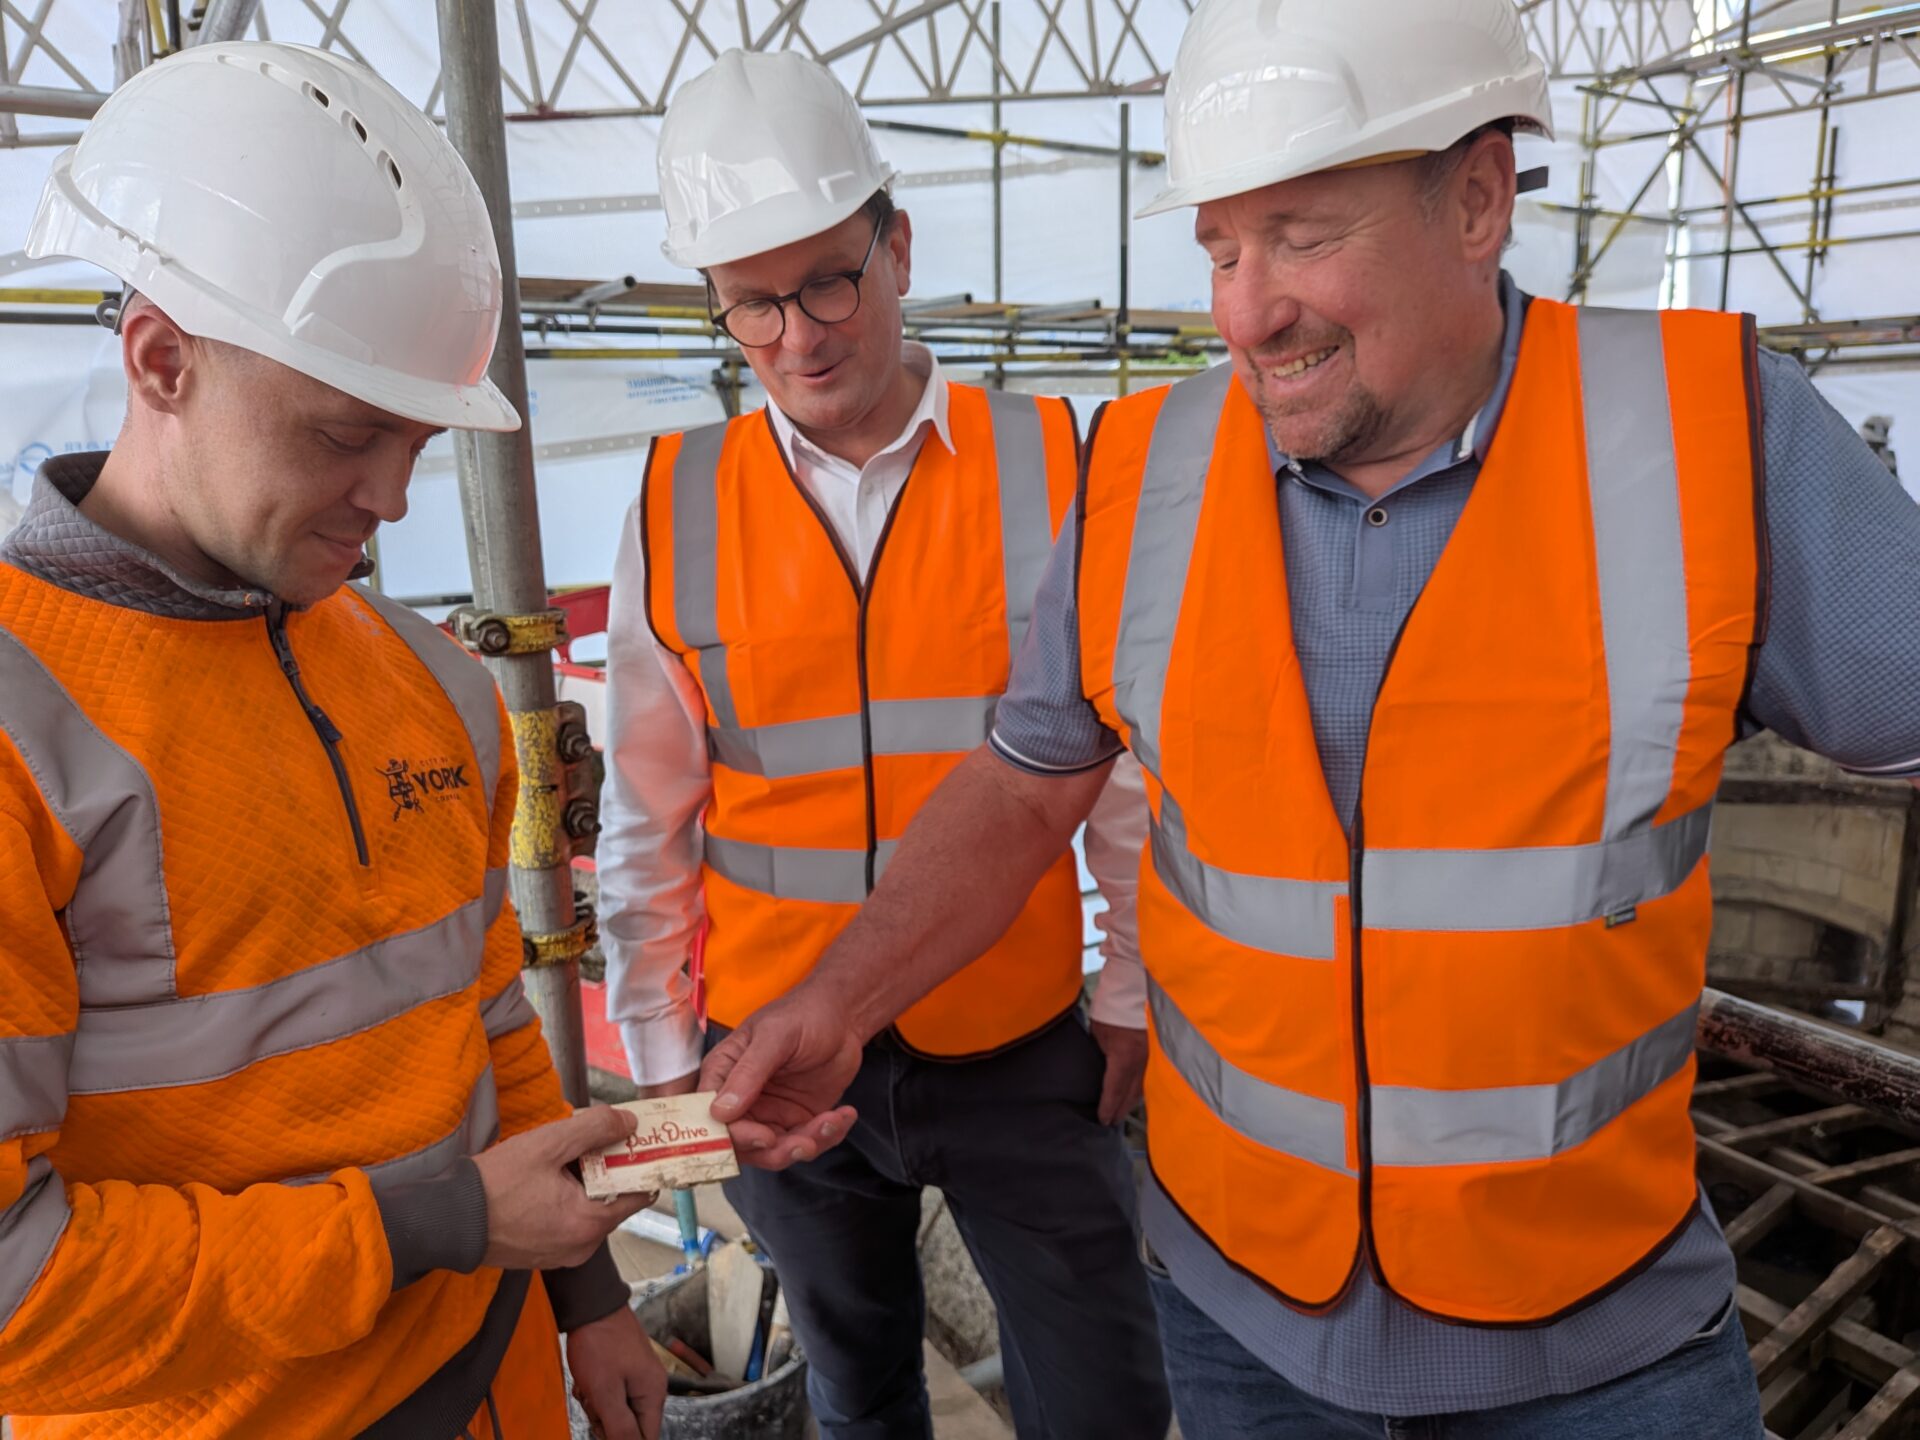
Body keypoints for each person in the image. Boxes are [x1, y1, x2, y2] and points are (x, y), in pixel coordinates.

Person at [696, 1, 1920, 1436]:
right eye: (1220, 245)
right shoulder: (1144, 474)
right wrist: (836, 1006)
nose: (1244, 308)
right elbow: (1024, 786)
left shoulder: (1712, 439)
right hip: (1241, 1333)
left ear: (1478, 198)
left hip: (1605, 1350)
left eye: (1305, 235)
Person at [0, 42, 666, 1439]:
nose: (395, 501)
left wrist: (586, 1293)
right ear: (162, 360)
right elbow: (14, 1293)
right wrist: (432, 1225)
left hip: (494, 1379)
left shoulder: (423, 676)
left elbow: (488, 1019)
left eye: (418, 444)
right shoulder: (22, 729)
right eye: (346, 437)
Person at [597, 48, 1171, 1440]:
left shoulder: (1053, 461)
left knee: (1102, 1392)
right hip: (771, 1065)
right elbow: (646, 813)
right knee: (857, 1395)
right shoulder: (678, 500)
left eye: (828, 279)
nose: (799, 333)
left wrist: (1128, 991)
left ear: (896, 244)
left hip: (1020, 1041)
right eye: (753, 303)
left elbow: (1120, 770)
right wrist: (665, 1058)